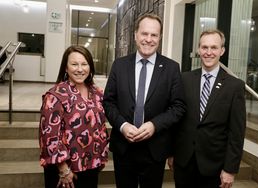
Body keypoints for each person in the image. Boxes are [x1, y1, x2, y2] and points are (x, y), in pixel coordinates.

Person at [103, 13, 186, 188]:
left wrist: (154, 125)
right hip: (124, 148)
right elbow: (109, 102)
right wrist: (123, 126)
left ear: (160, 37)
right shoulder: (119, 65)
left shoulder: (171, 68)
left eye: (154, 35)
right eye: (144, 33)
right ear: (135, 35)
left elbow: (178, 107)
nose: (148, 39)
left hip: (155, 149)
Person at [168, 29, 246, 188]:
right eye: (204, 47)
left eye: (214, 47)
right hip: (184, 162)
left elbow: (236, 132)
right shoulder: (184, 79)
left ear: (222, 50)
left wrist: (230, 169)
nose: (208, 52)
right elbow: (176, 121)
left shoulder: (234, 86)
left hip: (214, 166)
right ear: (198, 50)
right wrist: (171, 153)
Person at [39, 45, 109, 188]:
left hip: (91, 166)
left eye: (84, 64)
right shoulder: (55, 95)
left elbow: (100, 127)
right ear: (66, 68)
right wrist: (63, 169)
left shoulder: (97, 93)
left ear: (90, 67)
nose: (79, 69)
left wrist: (101, 157)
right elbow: (49, 136)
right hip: (66, 171)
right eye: (74, 64)